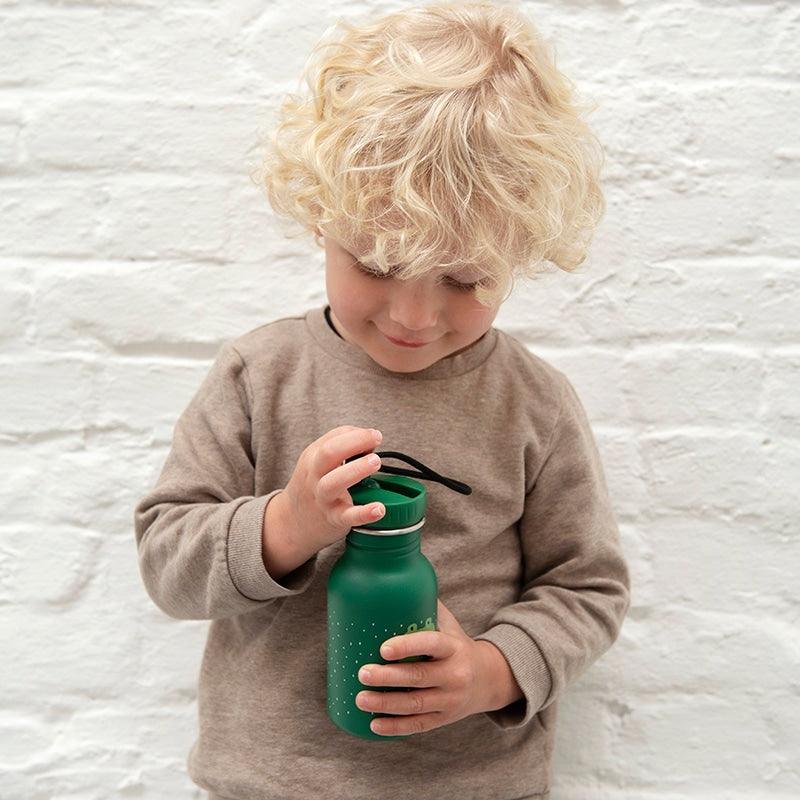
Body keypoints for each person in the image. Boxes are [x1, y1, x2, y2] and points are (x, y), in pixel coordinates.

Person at [133, 2, 631, 798]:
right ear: (320, 220)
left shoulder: (534, 405)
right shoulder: (260, 376)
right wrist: (285, 524)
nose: (413, 317)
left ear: (520, 252)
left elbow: (587, 586)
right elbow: (166, 561)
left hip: (472, 784)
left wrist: (493, 671)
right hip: (271, 782)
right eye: (374, 261)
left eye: (466, 279)